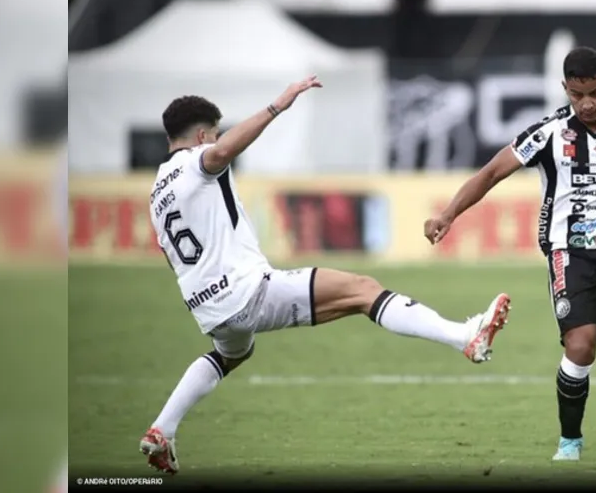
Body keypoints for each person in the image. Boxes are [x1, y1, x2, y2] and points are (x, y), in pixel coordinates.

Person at [140, 75, 511, 474]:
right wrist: (277, 105)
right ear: (201, 136)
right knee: (363, 290)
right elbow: (221, 153)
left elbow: (171, 257)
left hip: (208, 307)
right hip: (247, 291)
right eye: (213, 135)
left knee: (232, 354)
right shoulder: (199, 160)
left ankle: (162, 429)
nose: (217, 142)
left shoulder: (157, 192)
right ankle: (464, 337)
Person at [426, 47, 596, 461]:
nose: (587, 104)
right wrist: (448, 214)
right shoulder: (549, 133)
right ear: (565, 90)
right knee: (581, 345)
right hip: (570, 254)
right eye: (577, 96)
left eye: (594, 92)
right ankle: (570, 441)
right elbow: (490, 173)